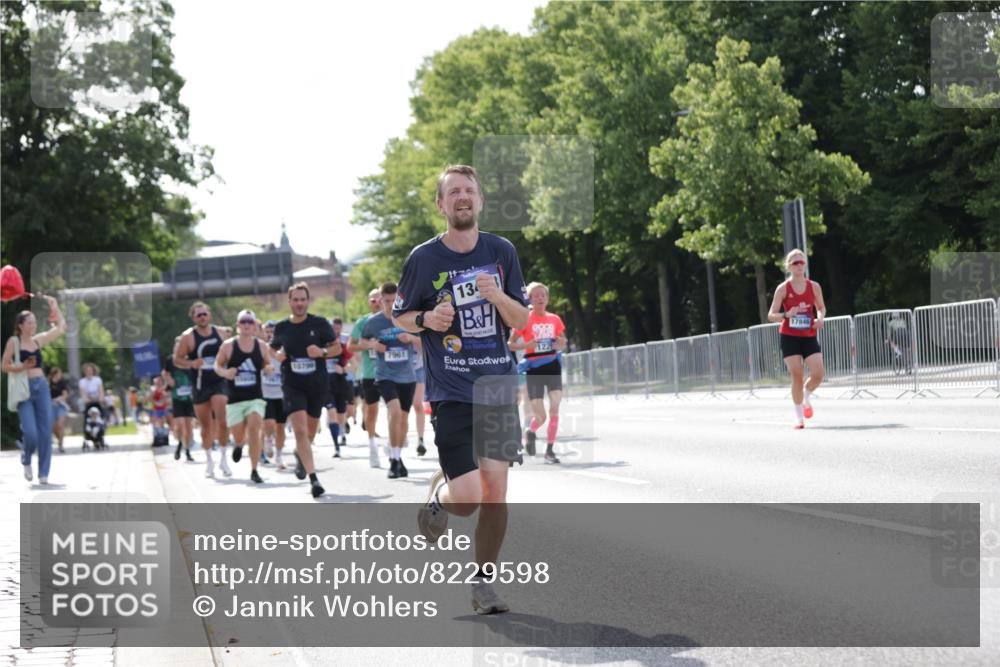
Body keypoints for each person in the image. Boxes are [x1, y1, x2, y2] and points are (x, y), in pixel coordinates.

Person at [394, 164, 529, 615]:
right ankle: (440, 496)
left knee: (495, 493)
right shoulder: (424, 259)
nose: (462, 197)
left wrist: (498, 297)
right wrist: (425, 320)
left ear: (480, 200)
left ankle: (484, 584)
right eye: (453, 192)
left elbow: (522, 319)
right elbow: (399, 316)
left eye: (469, 190)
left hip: (496, 387)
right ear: (441, 205)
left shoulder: (501, 251)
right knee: (468, 501)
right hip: (450, 389)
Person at [269, 282, 340, 498]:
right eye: (295, 300)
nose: (299, 304)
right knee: (299, 431)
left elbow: (337, 347)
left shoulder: (319, 323)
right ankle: (314, 479)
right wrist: (278, 356)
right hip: (292, 384)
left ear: (308, 301)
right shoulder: (282, 327)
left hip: (316, 385)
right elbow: (272, 348)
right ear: (289, 302)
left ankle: (300, 454)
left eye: (303, 299)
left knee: (309, 433)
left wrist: (322, 352)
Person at [2, 295, 66, 484]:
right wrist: (20, 367)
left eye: (35, 323)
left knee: (45, 432)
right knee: (30, 433)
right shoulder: (13, 342)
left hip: (41, 387)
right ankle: (27, 458)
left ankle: (44, 473)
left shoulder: (38, 341)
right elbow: (4, 366)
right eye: (29, 323)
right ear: (21, 325)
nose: (33, 326)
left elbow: (60, 329)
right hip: (24, 390)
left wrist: (55, 306)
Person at [361, 282, 418, 479]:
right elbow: (362, 341)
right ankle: (393, 460)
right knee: (393, 412)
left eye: (394, 301)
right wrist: (373, 344)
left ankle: (398, 457)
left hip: (407, 375)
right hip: (385, 375)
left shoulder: (408, 318)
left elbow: (423, 341)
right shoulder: (374, 322)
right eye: (386, 301)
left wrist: (410, 338)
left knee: (402, 418)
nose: (390, 305)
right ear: (381, 300)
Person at [767, 248, 827, 429]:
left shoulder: (814, 286)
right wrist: (786, 314)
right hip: (789, 336)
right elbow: (771, 315)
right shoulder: (783, 288)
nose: (800, 265)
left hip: (808, 335)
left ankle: (806, 395)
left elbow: (821, 307)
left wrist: (820, 319)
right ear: (789, 267)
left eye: (802, 262)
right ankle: (799, 417)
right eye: (795, 263)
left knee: (818, 374)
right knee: (797, 375)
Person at [509, 282, 567, 463]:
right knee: (541, 416)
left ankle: (550, 450)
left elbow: (562, 340)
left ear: (548, 298)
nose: (541, 298)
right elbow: (510, 344)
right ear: (530, 299)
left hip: (552, 366)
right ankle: (531, 431)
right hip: (534, 369)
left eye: (544, 295)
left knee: (555, 408)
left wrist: (560, 343)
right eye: (536, 295)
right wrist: (527, 346)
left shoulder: (555, 319)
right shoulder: (524, 319)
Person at [173, 301, 233, 477]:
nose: (202, 317)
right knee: (205, 425)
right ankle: (209, 460)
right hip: (199, 384)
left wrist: (226, 366)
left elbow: (231, 354)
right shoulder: (188, 337)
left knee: (222, 420)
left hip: (219, 382)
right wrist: (192, 363)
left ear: (210, 315)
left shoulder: (221, 333)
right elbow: (177, 359)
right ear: (193, 318)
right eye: (198, 315)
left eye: (204, 313)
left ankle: (223, 458)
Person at [215, 309, 273, 484]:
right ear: (238, 325)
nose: (247, 325)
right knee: (239, 435)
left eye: (250, 322)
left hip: (255, 397)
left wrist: (268, 369)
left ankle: (254, 470)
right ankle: (239, 444)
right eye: (243, 321)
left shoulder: (261, 346)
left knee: (255, 428)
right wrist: (226, 373)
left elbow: (268, 364)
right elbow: (217, 366)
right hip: (234, 399)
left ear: (255, 326)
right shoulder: (228, 346)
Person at [349, 288, 385, 467]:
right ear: (369, 302)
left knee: (399, 411)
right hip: (371, 373)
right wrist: (370, 345)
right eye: (373, 300)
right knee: (372, 412)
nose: (377, 302)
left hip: (395, 372)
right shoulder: (363, 322)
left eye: (379, 298)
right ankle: (372, 446)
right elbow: (351, 346)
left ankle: (395, 444)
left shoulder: (394, 318)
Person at [324, 317, 354, 457]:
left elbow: (353, 363)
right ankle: (336, 446)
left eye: (337, 329)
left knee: (342, 413)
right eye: (333, 329)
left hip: (340, 382)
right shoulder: (322, 343)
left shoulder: (343, 345)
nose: (335, 332)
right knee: (332, 412)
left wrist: (344, 369)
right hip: (326, 383)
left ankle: (342, 433)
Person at [163, 341, 195, 462]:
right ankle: (180, 443)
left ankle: (186, 450)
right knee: (180, 424)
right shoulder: (170, 360)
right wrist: (169, 380)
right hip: (177, 397)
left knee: (189, 425)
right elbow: (165, 372)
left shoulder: (190, 359)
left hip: (190, 397)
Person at [261, 320, 288, 470]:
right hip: (265, 393)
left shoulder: (283, 350)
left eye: (273, 331)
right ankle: (268, 439)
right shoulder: (260, 349)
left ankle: (279, 455)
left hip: (281, 393)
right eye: (268, 331)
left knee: (281, 426)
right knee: (269, 423)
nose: (270, 334)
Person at [48, 367, 69, 454]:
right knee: (54, 426)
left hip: (61, 405)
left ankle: (61, 445)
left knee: (60, 424)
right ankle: (58, 438)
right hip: (51, 406)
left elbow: (65, 395)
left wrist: (59, 399)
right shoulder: (48, 383)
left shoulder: (62, 383)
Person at [148, 377, 171, 445]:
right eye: (156, 382)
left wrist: (163, 400)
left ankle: (163, 438)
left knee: (162, 423)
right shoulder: (153, 389)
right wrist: (155, 401)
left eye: (159, 382)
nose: (158, 384)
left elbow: (166, 398)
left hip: (163, 408)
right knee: (155, 423)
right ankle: (156, 438)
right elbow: (150, 398)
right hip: (155, 409)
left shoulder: (164, 389)